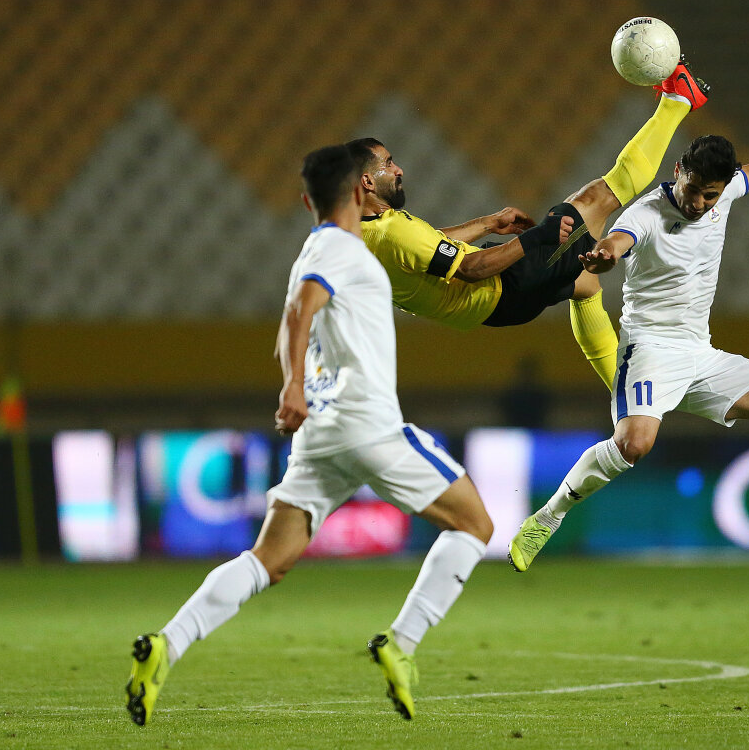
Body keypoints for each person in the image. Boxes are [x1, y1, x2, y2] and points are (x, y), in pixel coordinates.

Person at [125, 145, 494, 725]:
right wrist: (291, 387)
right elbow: (300, 311)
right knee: (474, 525)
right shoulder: (340, 250)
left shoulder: (319, 248)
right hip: (366, 422)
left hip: (321, 435)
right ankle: (401, 643)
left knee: (268, 561)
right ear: (358, 192)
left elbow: (297, 316)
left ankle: (165, 646)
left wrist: (298, 388)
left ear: (306, 201)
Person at [507, 135, 749, 571]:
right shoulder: (646, 214)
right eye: (694, 190)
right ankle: (545, 520)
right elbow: (617, 241)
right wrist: (605, 256)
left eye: (711, 195)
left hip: (699, 352)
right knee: (633, 445)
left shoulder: (725, 192)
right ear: (678, 173)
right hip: (648, 349)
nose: (699, 204)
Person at [348, 57, 710, 389]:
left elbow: (425, 245)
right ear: (367, 181)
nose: (398, 169)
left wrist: (489, 223)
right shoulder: (393, 231)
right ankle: (679, 100)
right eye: (388, 164)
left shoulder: (358, 233)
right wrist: (538, 236)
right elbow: (471, 269)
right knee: (597, 198)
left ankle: (624, 392)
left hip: (497, 304)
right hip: (503, 285)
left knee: (584, 285)